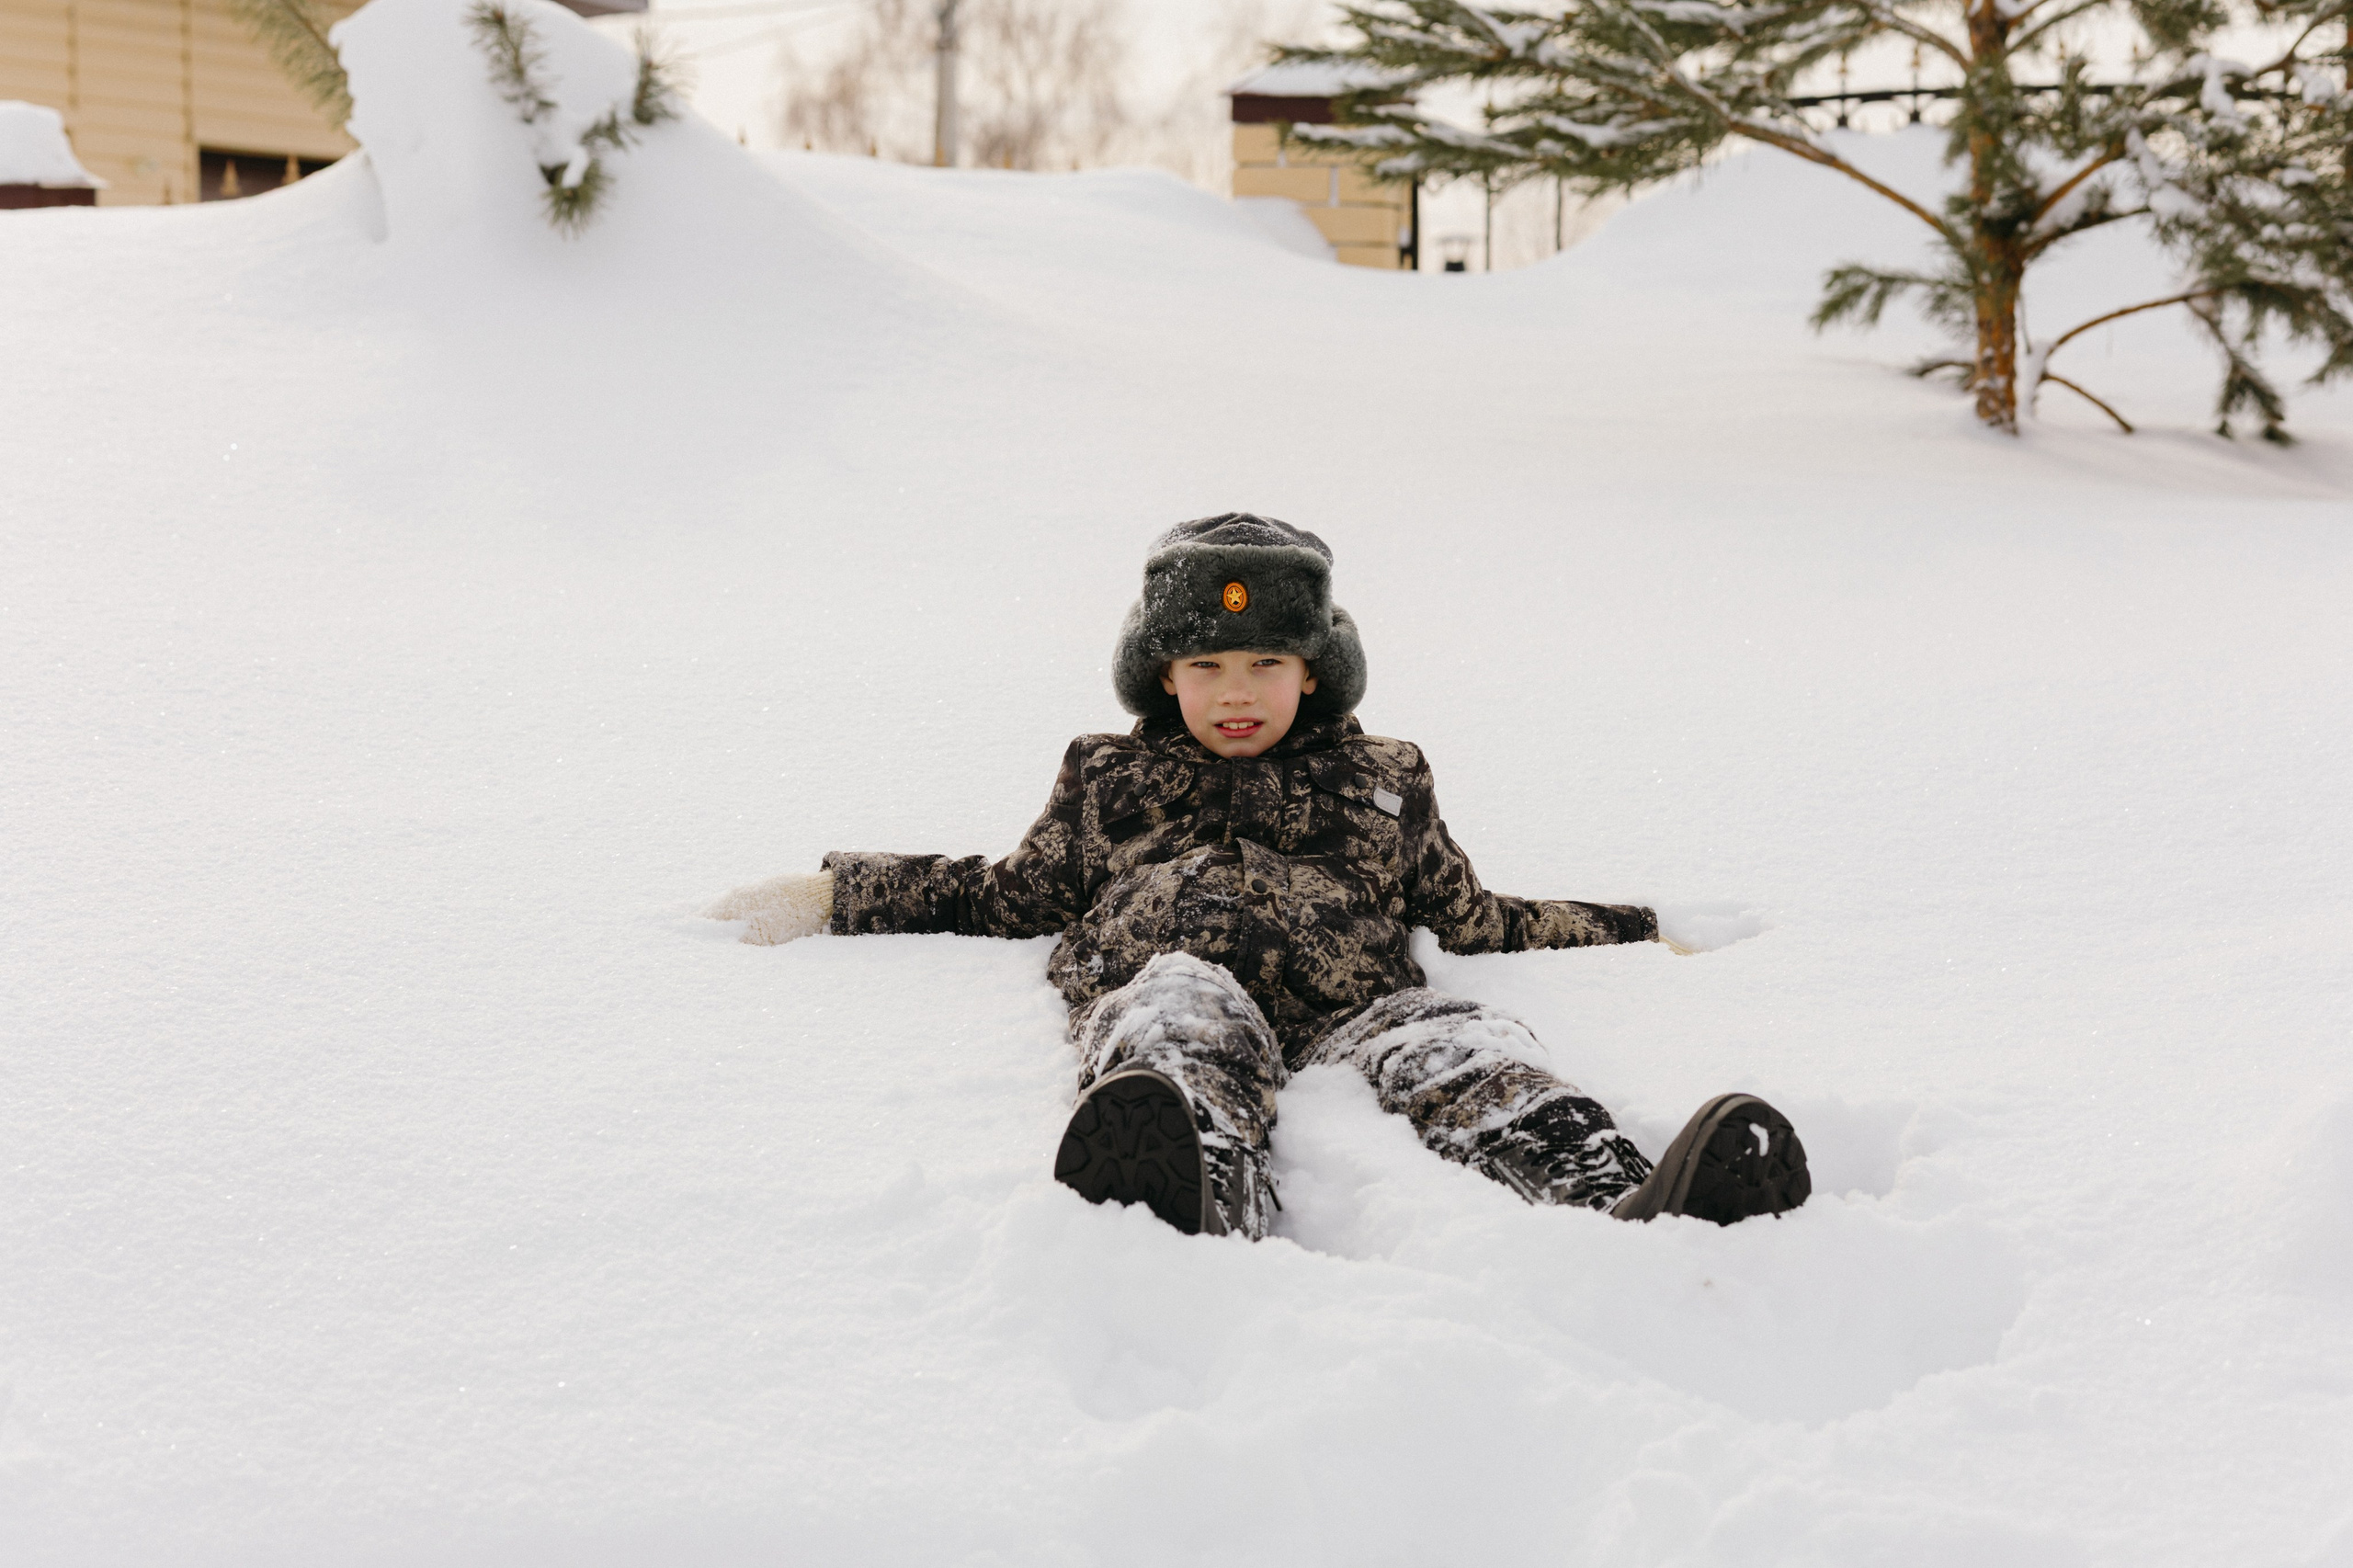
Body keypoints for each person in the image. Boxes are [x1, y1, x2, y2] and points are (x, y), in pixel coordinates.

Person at [705, 514, 1811, 1238]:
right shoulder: (1110, 773)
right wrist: (832, 894)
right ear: (1163, 674)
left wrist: (1639, 924)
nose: (1238, 690)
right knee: (1179, 1016)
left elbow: (1473, 917)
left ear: (1313, 669)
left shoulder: (1384, 775)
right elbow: (1008, 894)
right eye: (1207, 665)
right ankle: (1185, 1180)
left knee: (1462, 1042)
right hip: (1170, 973)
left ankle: (1625, 1190)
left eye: (1267, 663)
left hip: (1356, 1003)